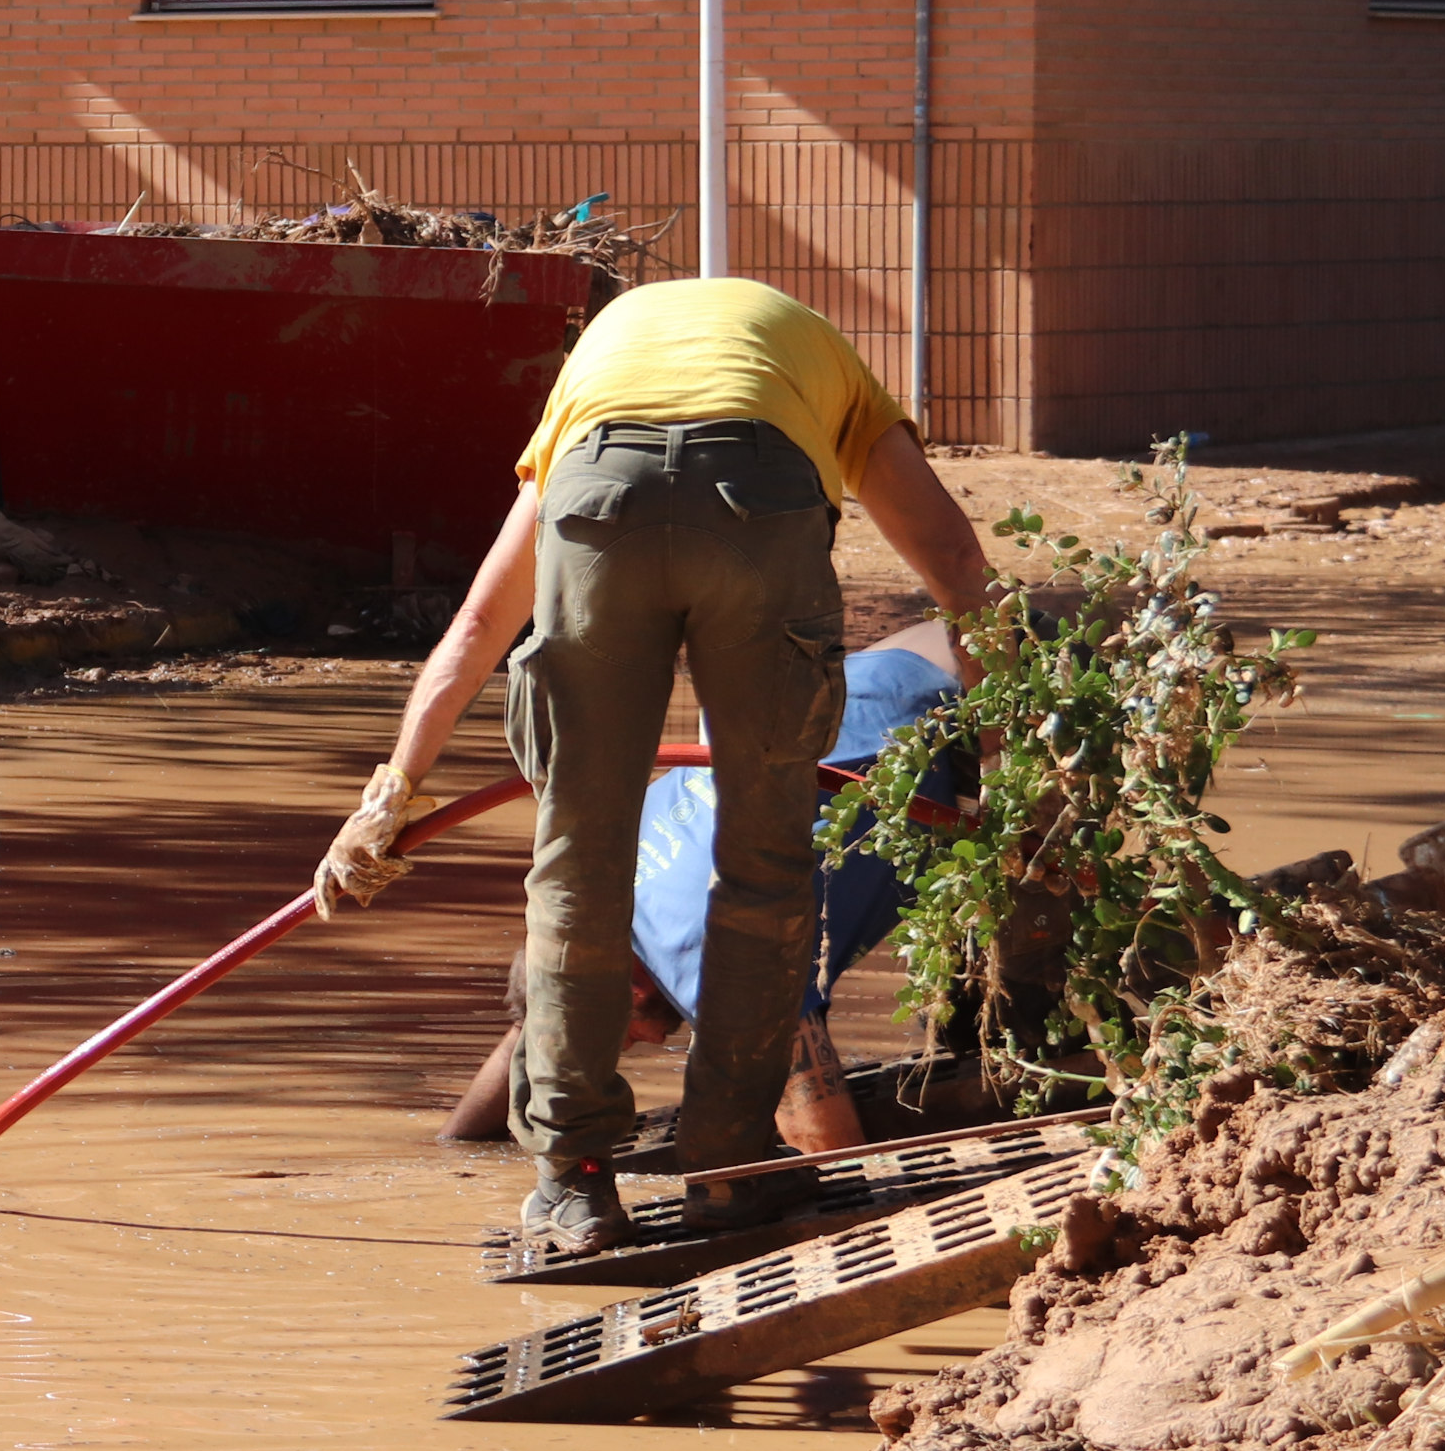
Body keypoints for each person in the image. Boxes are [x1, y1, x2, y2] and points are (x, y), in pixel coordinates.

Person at [316, 276, 998, 1256]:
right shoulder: (829, 371)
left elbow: (474, 627)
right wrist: (1010, 752)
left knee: (575, 865)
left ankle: (574, 1192)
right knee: (765, 866)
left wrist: (390, 791)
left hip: (601, 498)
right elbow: (957, 567)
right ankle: (728, 1169)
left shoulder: (588, 397)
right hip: (761, 503)